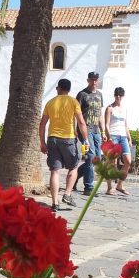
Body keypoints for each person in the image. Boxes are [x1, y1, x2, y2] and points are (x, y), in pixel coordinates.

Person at [39, 79, 88, 212]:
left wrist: (42, 142)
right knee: (74, 167)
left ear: (58, 88)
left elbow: (42, 124)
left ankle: (55, 203)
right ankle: (67, 194)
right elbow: (82, 123)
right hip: (69, 139)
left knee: (55, 171)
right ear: (69, 89)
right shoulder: (73, 102)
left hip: (52, 139)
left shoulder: (50, 103)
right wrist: (86, 140)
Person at [76, 71, 105, 195]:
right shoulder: (82, 94)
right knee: (90, 156)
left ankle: (76, 176)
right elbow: (76, 114)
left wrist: (103, 131)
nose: (94, 82)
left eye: (96, 80)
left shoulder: (99, 95)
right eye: (92, 79)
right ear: (88, 80)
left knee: (96, 159)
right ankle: (88, 187)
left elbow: (100, 114)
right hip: (85, 130)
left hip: (96, 131)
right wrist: (75, 130)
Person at [104, 86, 133, 195]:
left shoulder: (125, 109)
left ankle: (120, 185)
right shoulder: (110, 108)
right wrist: (109, 136)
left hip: (123, 137)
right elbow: (107, 124)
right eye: (116, 95)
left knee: (128, 161)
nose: (118, 97)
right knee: (112, 162)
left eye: (120, 95)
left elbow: (126, 125)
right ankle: (109, 187)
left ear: (123, 96)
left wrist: (129, 138)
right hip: (114, 136)